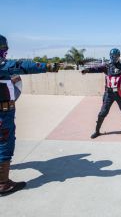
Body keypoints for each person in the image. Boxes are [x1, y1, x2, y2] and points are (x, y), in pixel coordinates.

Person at [0, 34, 59, 196]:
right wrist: (47, 67)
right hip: (3, 113)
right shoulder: (2, 65)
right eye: (4, 49)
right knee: (5, 145)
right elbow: (22, 65)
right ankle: (3, 184)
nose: (5, 53)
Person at [82, 48, 121, 139]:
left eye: (116, 56)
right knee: (102, 113)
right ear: (110, 56)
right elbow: (97, 68)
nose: (114, 57)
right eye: (113, 56)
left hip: (120, 94)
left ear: (119, 56)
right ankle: (97, 131)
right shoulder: (107, 66)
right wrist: (88, 70)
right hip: (109, 93)